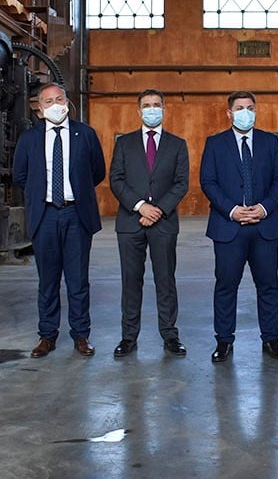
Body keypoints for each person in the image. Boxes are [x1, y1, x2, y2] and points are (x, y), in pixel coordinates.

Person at [14, 83, 106, 358]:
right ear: (40, 109)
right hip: (45, 215)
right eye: (48, 101)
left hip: (76, 214)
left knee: (78, 281)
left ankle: (80, 335)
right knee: (48, 281)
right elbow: (20, 176)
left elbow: (97, 171)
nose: (55, 104)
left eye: (59, 99)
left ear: (67, 102)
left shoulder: (85, 134)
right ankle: (47, 336)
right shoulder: (29, 139)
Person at [199, 91, 278, 363]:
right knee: (226, 286)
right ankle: (224, 341)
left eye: (250, 107)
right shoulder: (215, 143)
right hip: (229, 226)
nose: (245, 112)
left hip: (264, 226)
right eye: (239, 108)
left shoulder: (270, 142)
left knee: (268, 286)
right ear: (229, 113)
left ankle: (271, 339)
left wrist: (263, 208)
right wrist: (233, 210)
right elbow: (208, 182)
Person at [109, 89, 189, 358]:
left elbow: (181, 183)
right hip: (130, 222)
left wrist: (158, 209)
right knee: (131, 281)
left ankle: (170, 335)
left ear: (164, 110)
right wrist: (141, 206)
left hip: (164, 223)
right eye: (147, 105)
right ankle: (128, 337)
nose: (152, 109)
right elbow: (116, 180)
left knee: (165, 280)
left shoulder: (177, 144)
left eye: (157, 105)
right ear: (138, 111)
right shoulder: (124, 143)